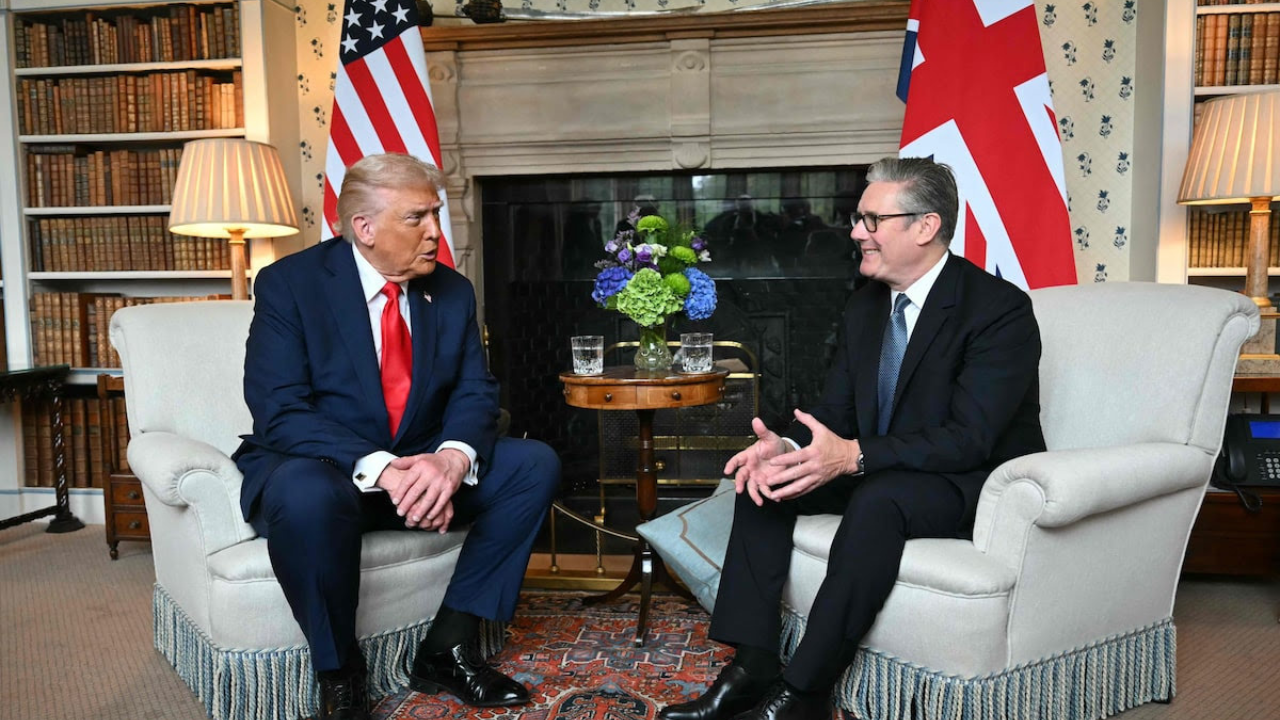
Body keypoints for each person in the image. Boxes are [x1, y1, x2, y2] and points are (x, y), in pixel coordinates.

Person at [658, 157, 1045, 720]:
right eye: (858, 218)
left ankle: (805, 690)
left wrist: (853, 457)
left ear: (925, 226)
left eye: (871, 220)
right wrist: (787, 449)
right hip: (884, 466)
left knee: (878, 499)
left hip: (969, 480)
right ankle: (752, 666)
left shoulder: (998, 310)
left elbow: (971, 438)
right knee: (763, 484)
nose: (855, 232)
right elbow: (836, 409)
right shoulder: (866, 305)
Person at [233, 153, 560, 720]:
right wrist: (384, 468)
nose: (436, 232)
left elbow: (475, 391)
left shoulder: (451, 292)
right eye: (418, 218)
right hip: (329, 469)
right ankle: (341, 674)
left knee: (533, 464)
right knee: (304, 493)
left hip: (423, 467)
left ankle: (447, 648)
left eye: (435, 214)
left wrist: (451, 462)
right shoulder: (291, 285)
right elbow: (279, 409)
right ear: (364, 228)